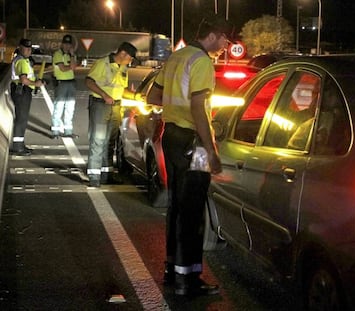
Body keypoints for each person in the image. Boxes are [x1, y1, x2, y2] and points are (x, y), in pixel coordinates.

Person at [147, 16, 230, 296]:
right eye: (225, 40)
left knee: (177, 206)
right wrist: (212, 150)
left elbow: (153, 96)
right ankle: (189, 280)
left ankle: (173, 270)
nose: (225, 46)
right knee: (193, 210)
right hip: (194, 142)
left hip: (171, 137)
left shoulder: (177, 57)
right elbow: (198, 108)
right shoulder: (203, 62)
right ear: (215, 35)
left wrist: (175, 105)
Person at [85, 42, 137, 187]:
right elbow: (89, 82)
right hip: (100, 104)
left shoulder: (124, 68)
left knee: (110, 142)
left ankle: (106, 174)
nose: (130, 61)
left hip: (116, 107)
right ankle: (94, 176)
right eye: (130, 58)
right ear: (123, 54)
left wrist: (136, 96)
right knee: (98, 139)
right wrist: (104, 95)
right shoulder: (103, 63)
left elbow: (122, 90)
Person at [10, 38, 44, 156]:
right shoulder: (21, 61)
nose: (29, 51)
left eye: (30, 49)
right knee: (21, 119)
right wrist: (36, 84)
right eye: (26, 48)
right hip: (21, 91)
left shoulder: (25, 60)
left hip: (22, 91)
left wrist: (36, 81)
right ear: (20, 48)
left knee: (22, 118)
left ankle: (20, 144)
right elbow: (24, 79)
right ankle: (18, 147)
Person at [51, 34, 78, 139]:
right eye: (65, 44)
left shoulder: (71, 55)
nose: (67, 46)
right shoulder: (58, 54)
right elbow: (62, 68)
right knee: (59, 107)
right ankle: (55, 131)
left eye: (69, 44)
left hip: (71, 83)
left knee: (70, 108)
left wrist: (71, 57)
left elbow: (73, 67)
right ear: (62, 44)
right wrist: (70, 67)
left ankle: (68, 131)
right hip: (61, 83)